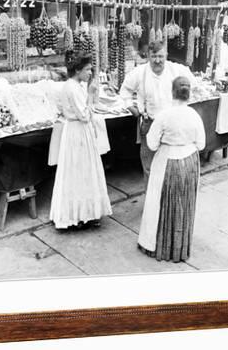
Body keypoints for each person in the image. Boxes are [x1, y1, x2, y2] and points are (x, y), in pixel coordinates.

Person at [137, 76, 206, 262]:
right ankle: (179, 248)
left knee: (160, 203)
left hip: (167, 161)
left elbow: (151, 145)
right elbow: (201, 144)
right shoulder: (195, 115)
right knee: (184, 205)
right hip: (190, 163)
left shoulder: (163, 116)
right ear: (188, 93)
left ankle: (158, 245)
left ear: (172, 92)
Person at [49, 53, 112, 230]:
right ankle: (78, 215)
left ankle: (84, 213)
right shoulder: (73, 88)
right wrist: (91, 96)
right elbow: (84, 115)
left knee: (81, 170)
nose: (90, 72)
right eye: (87, 69)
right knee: (79, 170)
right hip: (77, 131)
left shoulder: (74, 85)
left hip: (77, 130)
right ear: (77, 70)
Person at [119, 41, 197, 183]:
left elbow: (194, 84)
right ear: (148, 55)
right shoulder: (139, 72)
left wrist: (183, 106)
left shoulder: (176, 70)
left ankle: (165, 202)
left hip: (172, 126)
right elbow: (124, 90)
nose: (157, 60)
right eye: (154, 56)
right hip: (150, 124)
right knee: (149, 167)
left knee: (170, 166)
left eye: (161, 56)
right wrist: (131, 107)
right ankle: (151, 203)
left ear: (166, 55)